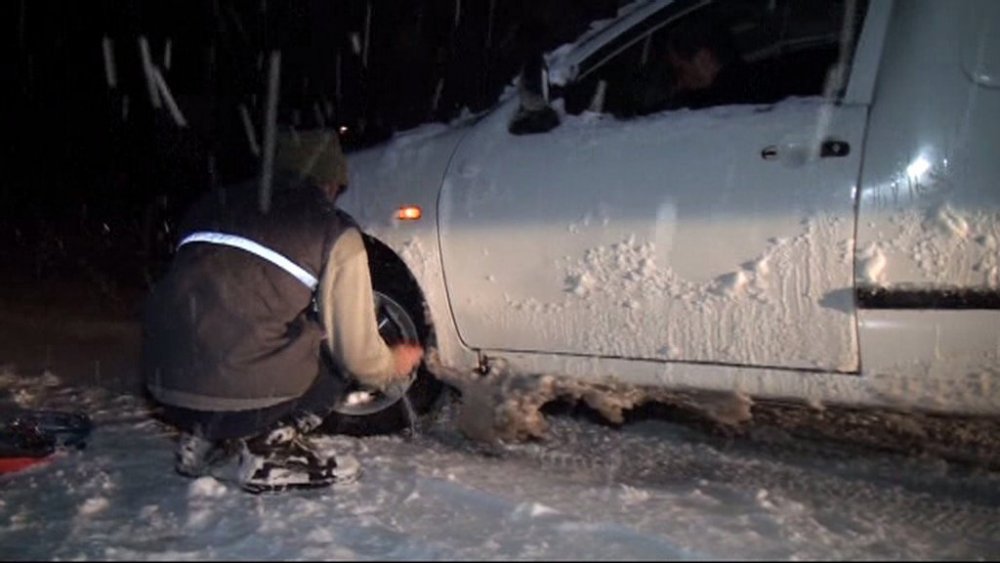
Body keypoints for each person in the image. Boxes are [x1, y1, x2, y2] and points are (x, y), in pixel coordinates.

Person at [142, 128, 424, 493]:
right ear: (330, 182)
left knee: (233, 329)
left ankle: (209, 437)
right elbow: (357, 354)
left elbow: (218, 298)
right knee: (331, 344)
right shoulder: (331, 229)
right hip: (239, 392)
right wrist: (391, 365)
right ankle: (267, 448)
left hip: (166, 387)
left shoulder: (210, 205)